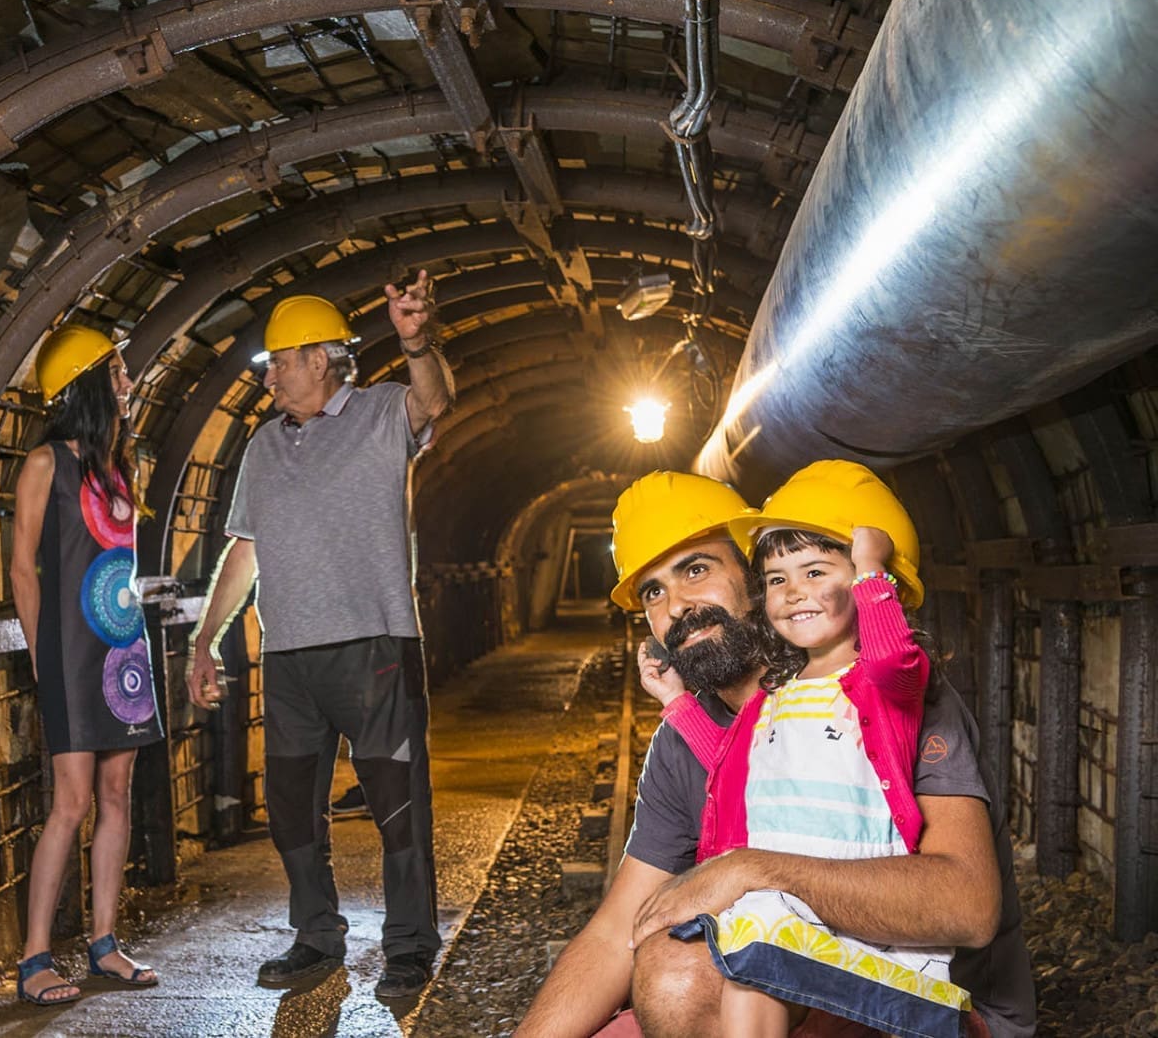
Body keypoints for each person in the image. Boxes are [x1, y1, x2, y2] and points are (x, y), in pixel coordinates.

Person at [515, 470, 1035, 1038]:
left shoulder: (897, 700)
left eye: (695, 570)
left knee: (682, 975)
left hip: (931, 1003)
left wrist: (750, 871)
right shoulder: (685, 741)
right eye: (653, 592)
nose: (677, 607)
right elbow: (619, 932)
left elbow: (967, 907)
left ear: (752, 580)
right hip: (781, 975)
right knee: (664, 980)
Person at [184, 275, 453, 1000]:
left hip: (376, 648)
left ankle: (408, 947)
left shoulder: (381, 412)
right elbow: (245, 548)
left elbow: (433, 400)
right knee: (292, 809)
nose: (269, 377)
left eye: (278, 362)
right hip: (291, 656)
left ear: (321, 359)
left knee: (397, 806)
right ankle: (315, 938)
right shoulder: (263, 446)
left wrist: (415, 340)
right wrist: (205, 638)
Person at [640, 462, 969, 1037]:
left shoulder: (880, 687)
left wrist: (871, 572)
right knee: (749, 977)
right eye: (775, 580)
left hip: (860, 906)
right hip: (784, 905)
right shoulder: (777, 700)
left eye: (816, 572)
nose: (794, 593)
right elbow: (730, 762)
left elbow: (893, 658)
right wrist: (676, 704)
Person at [9, 325, 165, 1006]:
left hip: (124, 650)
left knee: (115, 796)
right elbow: (23, 567)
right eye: (119, 372)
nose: (128, 384)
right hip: (71, 654)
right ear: (87, 384)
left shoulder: (121, 466)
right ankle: (34, 957)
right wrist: (46, 657)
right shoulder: (44, 464)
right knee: (70, 803)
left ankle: (104, 943)